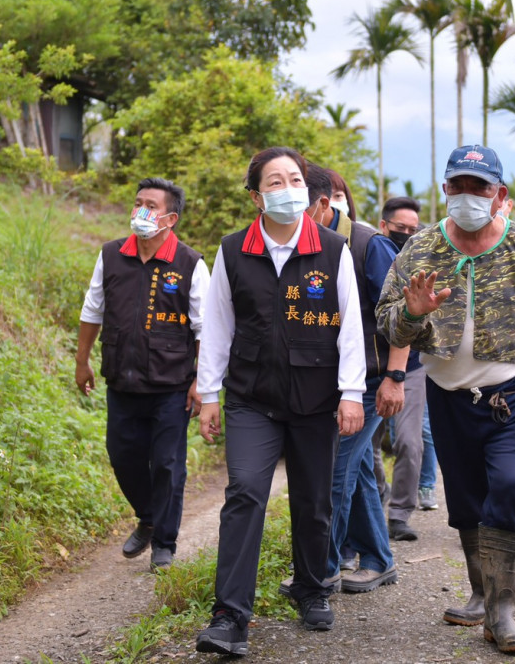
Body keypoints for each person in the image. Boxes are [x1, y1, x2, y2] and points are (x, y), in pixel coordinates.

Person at [377, 145, 515, 654]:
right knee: (467, 501)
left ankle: (503, 610)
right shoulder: (421, 250)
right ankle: (480, 592)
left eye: (481, 187)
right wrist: (413, 313)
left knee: (512, 487)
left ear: (500, 195)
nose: (468, 196)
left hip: (512, 395)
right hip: (448, 396)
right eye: (460, 186)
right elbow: (386, 321)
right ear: (445, 189)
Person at [194, 147, 366, 657]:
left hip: (316, 400)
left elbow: (352, 328)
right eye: (275, 181)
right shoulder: (232, 251)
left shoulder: (332, 250)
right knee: (245, 492)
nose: (287, 188)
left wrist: (351, 393)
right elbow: (218, 326)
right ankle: (229, 616)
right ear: (256, 196)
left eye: (295, 179)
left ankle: (312, 590)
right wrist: (208, 395)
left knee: (313, 501)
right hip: (251, 398)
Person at [74, 178, 209, 571]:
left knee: (167, 463)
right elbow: (92, 311)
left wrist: (202, 380)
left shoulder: (190, 263)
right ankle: (148, 516)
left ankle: (164, 542)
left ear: (170, 218)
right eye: (138, 203)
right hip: (122, 379)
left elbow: (206, 329)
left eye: (151, 205)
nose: (141, 211)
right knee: (122, 455)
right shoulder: (111, 255)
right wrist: (81, 361)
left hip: (172, 385)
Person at [300, 163, 406, 594]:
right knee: (359, 470)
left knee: (333, 473)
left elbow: (404, 318)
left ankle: (320, 570)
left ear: (323, 204)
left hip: (370, 382)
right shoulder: (302, 244)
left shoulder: (369, 245)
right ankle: (379, 559)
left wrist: (395, 377)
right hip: (330, 380)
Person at [376, 196, 438, 542]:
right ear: (384, 226)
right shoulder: (370, 254)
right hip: (370, 365)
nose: (408, 234)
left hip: (412, 367)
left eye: (414, 230)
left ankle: (399, 513)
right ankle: (379, 493)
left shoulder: (422, 261)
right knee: (365, 447)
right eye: (401, 229)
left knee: (410, 443)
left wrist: (398, 374)